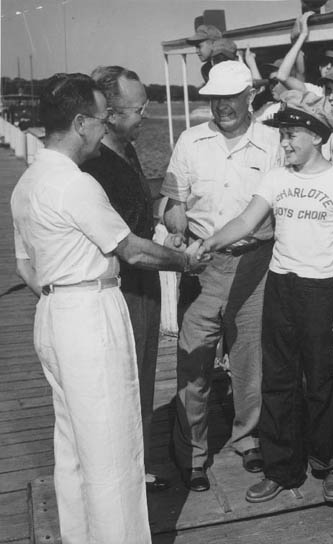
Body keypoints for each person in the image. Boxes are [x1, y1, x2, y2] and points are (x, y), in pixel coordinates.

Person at [10, 72, 205, 544]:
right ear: (80, 123)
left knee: (74, 446)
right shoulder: (76, 185)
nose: (105, 128)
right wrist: (185, 261)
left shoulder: (27, 183)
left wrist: (60, 296)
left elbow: (24, 267)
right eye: (100, 119)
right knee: (114, 450)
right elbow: (132, 250)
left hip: (53, 315)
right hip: (90, 316)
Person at [198, 90, 333, 504]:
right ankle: (282, 468)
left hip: (321, 290)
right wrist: (210, 242)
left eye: (291, 135)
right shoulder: (276, 178)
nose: (284, 143)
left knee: (321, 381)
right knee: (277, 380)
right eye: (282, 135)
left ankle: (330, 463)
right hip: (280, 287)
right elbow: (246, 220)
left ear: (317, 136)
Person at [161, 61, 283, 491]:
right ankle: (192, 454)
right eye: (215, 98)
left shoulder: (274, 142)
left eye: (230, 97)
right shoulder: (190, 140)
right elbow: (173, 201)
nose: (221, 106)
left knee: (250, 362)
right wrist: (176, 225)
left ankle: (248, 437)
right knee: (193, 359)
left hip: (256, 265)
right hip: (203, 266)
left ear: (250, 96)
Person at [80, 65, 168, 492]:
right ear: (111, 114)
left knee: (143, 379)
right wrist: (183, 261)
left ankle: (138, 467)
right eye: (139, 109)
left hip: (144, 285)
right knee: (121, 382)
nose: (145, 117)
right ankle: (119, 476)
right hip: (121, 287)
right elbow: (124, 245)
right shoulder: (94, 167)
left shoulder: (127, 149)